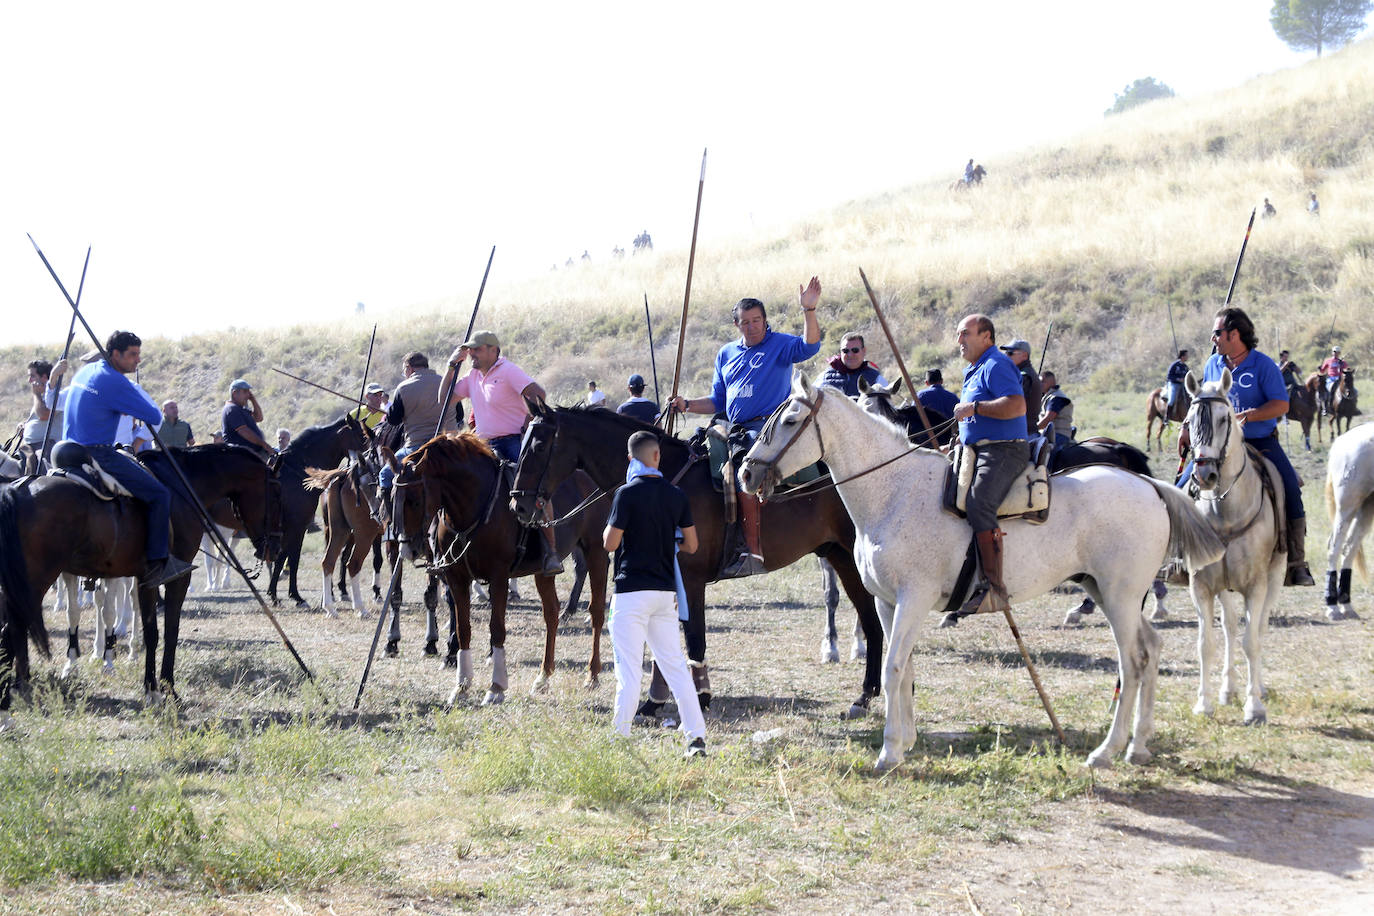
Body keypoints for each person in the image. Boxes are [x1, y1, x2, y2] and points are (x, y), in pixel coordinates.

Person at [668, 277, 823, 577]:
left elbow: (810, 346)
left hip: (769, 427)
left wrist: (809, 310)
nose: (752, 326)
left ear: (765, 322)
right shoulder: (726, 354)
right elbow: (718, 402)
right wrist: (687, 405)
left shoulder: (780, 345)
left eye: (757, 321)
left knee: (745, 469)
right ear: (737, 324)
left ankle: (752, 551)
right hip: (735, 427)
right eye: (745, 322)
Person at [61, 330, 193, 587]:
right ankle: (158, 564)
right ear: (115, 354)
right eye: (132, 354)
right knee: (159, 495)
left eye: (139, 354)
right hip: (97, 453)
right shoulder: (114, 380)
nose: (138, 360)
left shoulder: (84, 373)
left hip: (64, 451)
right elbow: (154, 416)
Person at [1193, 307, 1314, 586]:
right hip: (1216, 445)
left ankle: (1296, 561)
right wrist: (1189, 431)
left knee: (1291, 489)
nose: (1213, 339)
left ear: (1234, 334)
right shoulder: (1212, 365)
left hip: (1259, 442)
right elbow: (1203, 403)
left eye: (1217, 333)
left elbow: (1281, 404)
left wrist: (1247, 416)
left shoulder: (1264, 365)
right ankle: (1179, 557)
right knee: (1181, 485)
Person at [602, 430, 706, 756]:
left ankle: (620, 739)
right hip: (664, 594)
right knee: (675, 668)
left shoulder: (625, 494)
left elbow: (610, 543)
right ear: (657, 457)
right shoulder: (676, 496)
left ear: (630, 460)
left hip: (631, 592)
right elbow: (692, 544)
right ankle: (696, 738)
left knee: (629, 673)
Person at [439, 330, 561, 575]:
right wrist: (452, 365)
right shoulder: (472, 376)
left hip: (513, 441)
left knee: (533, 491)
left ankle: (550, 551)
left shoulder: (508, 370)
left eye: (477, 349)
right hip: (482, 445)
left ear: (493, 350)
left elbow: (538, 393)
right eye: (470, 349)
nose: (471, 353)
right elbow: (444, 398)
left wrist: (529, 418)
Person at [946, 314, 1027, 626]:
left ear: (987, 337)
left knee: (980, 502)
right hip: (978, 449)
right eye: (958, 334)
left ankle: (994, 587)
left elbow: (1017, 406)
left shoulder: (996, 364)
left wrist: (976, 408)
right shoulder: (974, 369)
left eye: (965, 334)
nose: (960, 341)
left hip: (1004, 449)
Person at [19, 357, 69, 463]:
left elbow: (44, 415)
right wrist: (25, 425)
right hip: (29, 447)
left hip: (45, 448)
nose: (29, 381)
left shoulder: (57, 397)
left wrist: (36, 394)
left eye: (32, 376)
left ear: (44, 377)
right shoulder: (41, 399)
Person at [816, 333, 887, 397]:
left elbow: (886, 409)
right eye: (845, 351)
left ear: (864, 351)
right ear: (840, 352)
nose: (850, 355)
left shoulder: (877, 380)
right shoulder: (824, 377)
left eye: (855, 350)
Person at [999, 339, 1042, 437]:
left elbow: (1009, 404)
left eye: (1010, 353)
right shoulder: (1025, 375)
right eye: (1005, 353)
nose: (1006, 356)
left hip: (1022, 435)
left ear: (1024, 356)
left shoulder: (1024, 377)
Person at [221, 379, 275, 456]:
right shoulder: (232, 409)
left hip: (253, 453)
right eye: (245, 391)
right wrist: (264, 445)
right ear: (234, 393)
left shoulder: (241, 408)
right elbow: (244, 431)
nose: (248, 395)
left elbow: (259, 418)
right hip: (243, 456)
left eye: (249, 392)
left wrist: (253, 400)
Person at [1036, 370, 1074, 453]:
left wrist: (1033, 428)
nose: (1040, 384)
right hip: (1050, 434)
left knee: (1045, 455)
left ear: (1051, 383)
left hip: (1058, 435)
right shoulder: (1048, 396)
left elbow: (1048, 419)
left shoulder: (1056, 398)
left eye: (1043, 382)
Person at [1318, 346, 1347, 414]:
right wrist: (1320, 368)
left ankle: (1352, 407)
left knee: (1350, 389)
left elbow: (1346, 370)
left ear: (1339, 353)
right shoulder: (1328, 361)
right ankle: (1325, 408)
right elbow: (1322, 371)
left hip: (1340, 379)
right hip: (1331, 379)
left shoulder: (1342, 361)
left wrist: (1341, 365)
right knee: (1328, 390)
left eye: (1337, 352)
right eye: (1334, 352)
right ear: (1332, 352)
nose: (1335, 353)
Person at [1165, 349, 1190, 416]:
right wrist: (1178, 379)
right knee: (1171, 400)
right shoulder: (1174, 365)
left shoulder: (1185, 367)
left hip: (1183, 385)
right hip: (1173, 384)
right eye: (1186, 355)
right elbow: (1169, 376)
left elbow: (1188, 376)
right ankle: (1166, 417)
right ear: (1182, 356)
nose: (1188, 357)